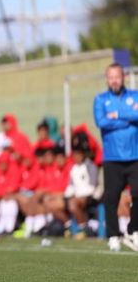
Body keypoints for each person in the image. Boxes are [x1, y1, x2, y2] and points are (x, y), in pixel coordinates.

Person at [93, 63, 138, 252]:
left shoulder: (134, 96)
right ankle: (113, 235)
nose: (114, 80)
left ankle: (134, 230)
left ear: (124, 77)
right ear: (106, 79)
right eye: (110, 77)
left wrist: (118, 114)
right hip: (112, 157)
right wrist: (128, 120)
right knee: (111, 198)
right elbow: (101, 121)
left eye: (117, 76)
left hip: (135, 155)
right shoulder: (100, 99)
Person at [65, 133, 102, 240]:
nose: (76, 157)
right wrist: (67, 196)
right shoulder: (74, 168)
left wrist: (78, 195)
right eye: (75, 154)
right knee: (64, 203)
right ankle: (69, 227)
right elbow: (71, 186)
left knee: (73, 204)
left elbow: (92, 186)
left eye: (78, 154)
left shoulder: (91, 166)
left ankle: (83, 228)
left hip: (91, 196)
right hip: (78, 196)